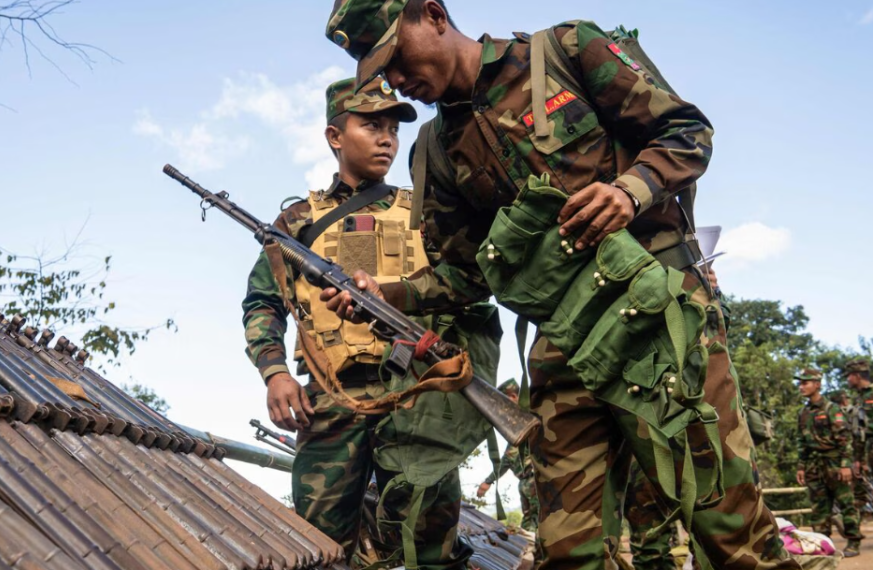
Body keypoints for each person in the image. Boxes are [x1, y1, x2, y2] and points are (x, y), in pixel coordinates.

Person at [320, 1, 795, 567]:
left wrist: (631, 190)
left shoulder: (567, 51)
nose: (397, 81)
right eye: (382, 73)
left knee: (731, 532)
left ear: (434, 15)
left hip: (657, 320)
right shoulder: (436, 151)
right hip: (566, 342)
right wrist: (386, 295)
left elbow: (688, 131)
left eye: (397, 56)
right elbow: (466, 275)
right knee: (568, 552)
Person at [240, 76, 481, 569]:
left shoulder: (425, 212)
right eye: (371, 125)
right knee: (319, 549)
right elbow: (262, 302)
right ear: (335, 136)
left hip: (418, 397)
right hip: (330, 401)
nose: (387, 137)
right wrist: (275, 372)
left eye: (392, 127)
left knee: (432, 545)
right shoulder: (297, 223)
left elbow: (465, 286)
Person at [795, 369, 863, 556]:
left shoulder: (832, 409)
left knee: (846, 503)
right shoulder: (803, 412)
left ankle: (853, 542)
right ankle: (822, 544)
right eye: (800, 383)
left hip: (834, 462)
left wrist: (845, 464)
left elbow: (845, 438)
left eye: (805, 382)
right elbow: (801, 441)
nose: (801, 386)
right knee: (819, 506)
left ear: (817, 384)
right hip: (813, 465)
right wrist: (801, 466)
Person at [476, 379, 538, 532]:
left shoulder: (531, 416)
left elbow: (508, 458)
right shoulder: (520, 421)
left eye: (505, 402)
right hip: (526, 481)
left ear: (513, 397)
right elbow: (509, 458)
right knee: (529, 523)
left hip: (535, 479)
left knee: (538, 522)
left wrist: (488, 481)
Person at [845, 358, 873, 518]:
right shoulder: (858, 399)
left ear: (857, 375)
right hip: (866, 454)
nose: (848, 379)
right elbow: (858, 433)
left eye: (849, 375)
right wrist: (859, 459)